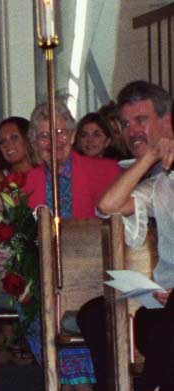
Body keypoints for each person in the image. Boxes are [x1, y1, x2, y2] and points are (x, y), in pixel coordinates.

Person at [78, 81, 174, 391]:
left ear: (167, 121)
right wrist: (149, 158)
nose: (131, 131)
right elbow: (108, 206)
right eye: (125, 123)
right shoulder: (156, 181)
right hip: (164, 300)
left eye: (141, 120)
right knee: (95, 315)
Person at [23, 101, 121, 391]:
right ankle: (73, 385)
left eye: (60, 132)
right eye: (43, 136)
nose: (54, 141)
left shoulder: (105, 171)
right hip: (43, 279)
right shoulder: (27, 182)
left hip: (95, 277)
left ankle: (75, 386)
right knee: (38, 302)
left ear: (74, 134)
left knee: (68, 306)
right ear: (34, 143)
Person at [0, 117, 35, 212]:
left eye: (14, 137)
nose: (7, 144)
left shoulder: (45, 174)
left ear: (28, 138)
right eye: (2, 141)